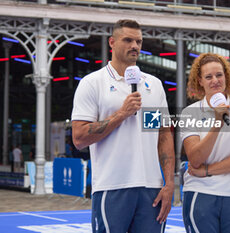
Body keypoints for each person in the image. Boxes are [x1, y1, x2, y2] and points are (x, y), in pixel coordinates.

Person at [71, 19, 175, 233]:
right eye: (128, 40)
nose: (134, 46)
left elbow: (162, 135)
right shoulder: (92, 83)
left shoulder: (153, 85)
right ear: (112, 42)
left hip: (151, 189)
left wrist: (169, 184)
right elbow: (79, 138)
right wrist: (121, 114)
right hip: (111, 187)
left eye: (138, 41)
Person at [180, 53, 230, 233]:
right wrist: (217, 122)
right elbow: (195, 158)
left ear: (227, 76)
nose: (215, 80)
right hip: (201, 194)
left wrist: (208, 171)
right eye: (208, 77)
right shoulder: (189, 113)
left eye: (219, 75)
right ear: (200, 81)